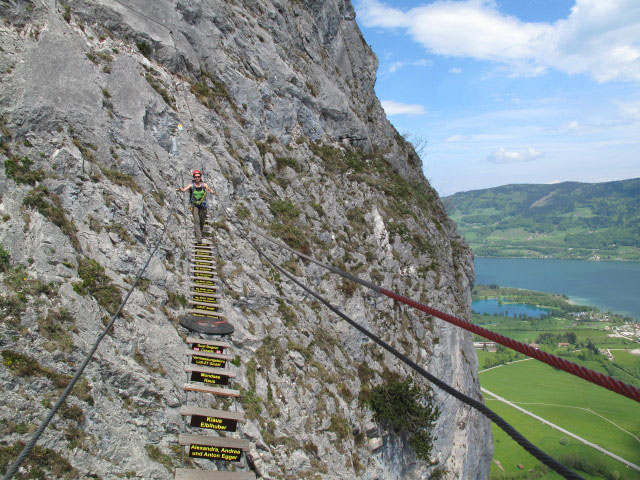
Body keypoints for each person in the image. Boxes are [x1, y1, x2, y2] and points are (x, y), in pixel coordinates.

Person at [177, 170, 216, 244]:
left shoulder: (204, 185)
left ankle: (200, 233)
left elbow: (209, 189)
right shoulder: (191, 185)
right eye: (195, 177)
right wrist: (180, 190)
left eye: (198, 176)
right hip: (195, 205)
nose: (197, 178)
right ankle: (199, 238)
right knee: (196, 221)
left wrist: (213, 192)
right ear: (194, 178)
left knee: (202, 221)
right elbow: (184, 189)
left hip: (203, 205)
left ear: (200, 177)